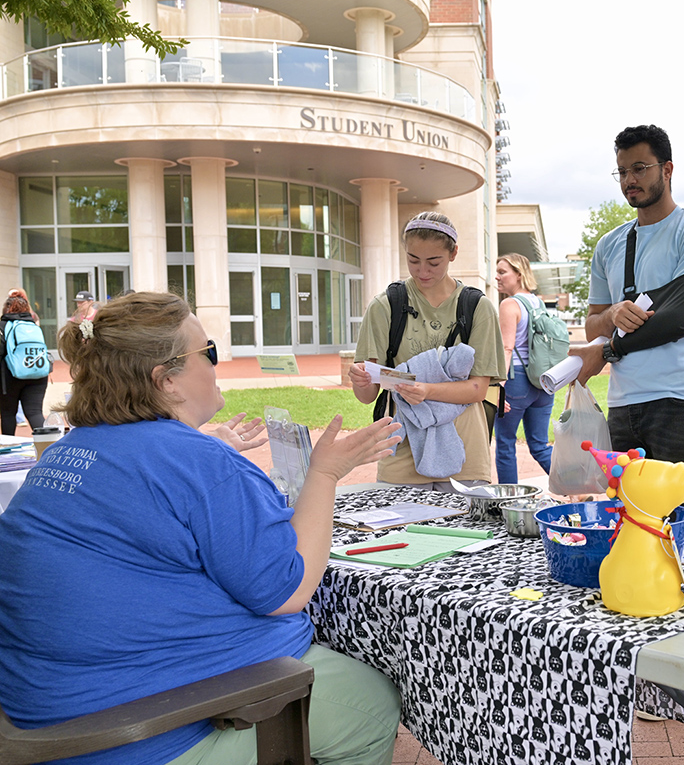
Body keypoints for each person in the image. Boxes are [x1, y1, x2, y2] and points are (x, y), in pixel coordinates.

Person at [0, 292, 403, 765]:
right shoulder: (197, 461)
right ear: (166, 380)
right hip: (132, 732)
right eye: (207, 352)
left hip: (48, 711)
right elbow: (286, 592)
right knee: (371, 704)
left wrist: (205, 455)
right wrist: (325, 473)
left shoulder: (70, 450)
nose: (215, 363)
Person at [571, 124, 684, 533]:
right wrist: (611, 317)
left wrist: (606, 351)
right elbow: (592, 324)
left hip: (679, 401)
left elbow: (681, 316)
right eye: (621, 171)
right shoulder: (609, 245)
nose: (629, 180)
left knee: (683, 521)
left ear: (667, 169)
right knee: (627, 523)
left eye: (639, 168)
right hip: (624, 405)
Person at [349, 211, 507, 492]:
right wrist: (360, 381)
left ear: (453, 253)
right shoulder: (385, 306)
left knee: (465, 536)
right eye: (413, 260)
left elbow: (477, 389)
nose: (423, 272)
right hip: (401, 450)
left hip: (464, 453)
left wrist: (426, 390)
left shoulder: (477, 307)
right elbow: (367, 396)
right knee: (401, 535)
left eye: (434, 262)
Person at [494, 253, 554, 483]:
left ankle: (509, 503)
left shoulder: (510, 304)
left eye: (502, 272)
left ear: (518, 275)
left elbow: (507, 348)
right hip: (542, 380)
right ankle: (576, 489)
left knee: (505, 444)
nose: (497, 277)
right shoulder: (538, 302)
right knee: (539, 445)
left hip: (516, 380)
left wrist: (498, 387)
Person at [0, 293, 48, 436]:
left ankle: (8, 454)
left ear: (6, 309)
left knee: (8, 414)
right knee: (35, 413)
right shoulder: (32, 325)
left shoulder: (3, 326)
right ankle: (49, 447)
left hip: (10, 375)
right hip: (38, 374)